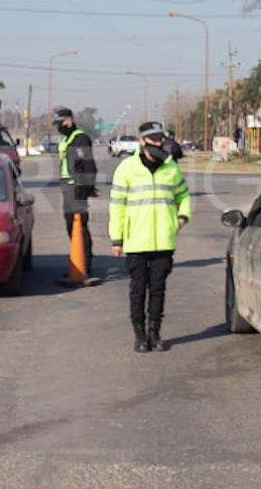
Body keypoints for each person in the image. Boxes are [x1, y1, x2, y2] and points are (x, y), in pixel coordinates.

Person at [109, 121, 192, 352]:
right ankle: (139, 335)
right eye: (153, 139)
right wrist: (117, 240)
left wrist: (182, 217)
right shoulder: (127, 169)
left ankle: (155, 333)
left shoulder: (171, 168)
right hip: (136, 242)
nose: (158, 143)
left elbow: (183, 196)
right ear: (142, 141)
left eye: (161, 139)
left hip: (164, 242)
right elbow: (117, 206)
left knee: (158, 289)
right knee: (138, 290)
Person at [52, 106, 99, 275]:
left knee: (79, 225)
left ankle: (84, 264)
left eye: (60, 122)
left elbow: (87, 164)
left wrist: (87, 187)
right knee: (70, 225)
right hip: (67, 186)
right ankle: (77, 261)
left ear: (69, 120)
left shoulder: (80, 139)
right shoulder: (67, 139)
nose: (58, 126)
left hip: (76, 187)